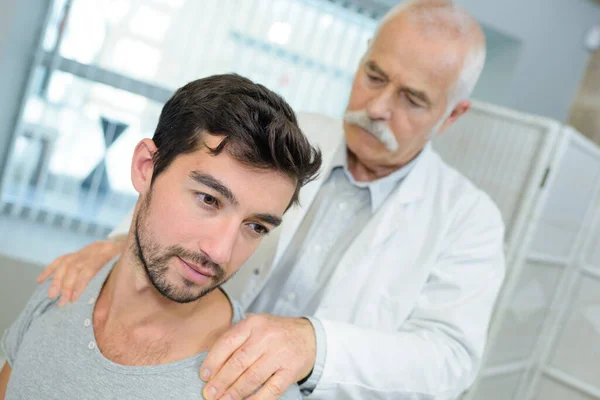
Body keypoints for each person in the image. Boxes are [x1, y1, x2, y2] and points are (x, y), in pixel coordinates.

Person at [31, 1, 507, 399]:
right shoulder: (293, 141)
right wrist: (116, 245)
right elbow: (186, 180)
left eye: (412, 99)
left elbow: (451, 357)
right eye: (375, 76)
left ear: (452, 114)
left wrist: (314, 345)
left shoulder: (468, 219)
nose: (377, 107)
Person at [0, 74, 322, 400]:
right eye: (209, 199)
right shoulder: (66, 284)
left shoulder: (252, 388)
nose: (220, 253)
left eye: (256, 227)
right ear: (145, 168)